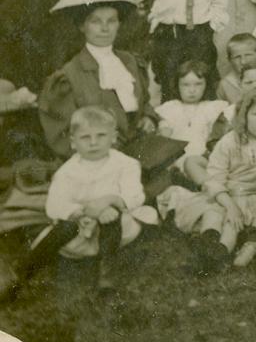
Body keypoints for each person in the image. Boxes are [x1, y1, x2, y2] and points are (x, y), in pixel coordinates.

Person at [38, 0, 182, 171]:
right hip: (97, 164)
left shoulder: (130, 62)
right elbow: (61, 135)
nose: (105, 28)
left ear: (118, 24)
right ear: (82, 26)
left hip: (142, 154)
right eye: (96, 21)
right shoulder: (68, 76)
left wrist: (148, 118)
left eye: (111, 21)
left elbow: (144, 104)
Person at [8, 106, 155, 296]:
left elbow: (135, 196)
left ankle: (107, 274)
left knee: (112, 214)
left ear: (113, 137)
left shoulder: (126, 164)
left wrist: (110, 200)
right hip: (79, 233)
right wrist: (81, 212)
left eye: (101, 135)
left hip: (116, 228)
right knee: (66, 225)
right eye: (85, 137)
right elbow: (54, 205)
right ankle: (25, 269)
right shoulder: (67, 172)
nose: (93, 143)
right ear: (73, 143)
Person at [172, 85, 256, 273]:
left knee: (230, 224)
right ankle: (208, 243)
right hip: (225, 194)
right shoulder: (230, 141)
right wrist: (230, 205)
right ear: (244, 115)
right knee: (214, 211)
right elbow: (215, 178)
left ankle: (220, 253)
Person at [156, 61, 227, 187]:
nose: (192, 90)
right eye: (185, 85)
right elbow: (164, 138)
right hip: (175, 162)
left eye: (198, 84)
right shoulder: (169, 108)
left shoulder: (214, 107)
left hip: (203, 161)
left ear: (207, 85)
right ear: (177, 85)